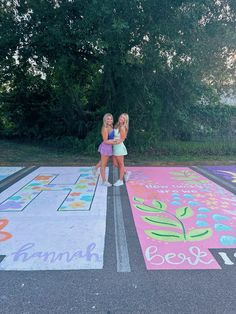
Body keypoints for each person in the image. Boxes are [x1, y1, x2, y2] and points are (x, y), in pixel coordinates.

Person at [93, 113, 117, 187]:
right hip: (105, 147)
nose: (110, 120)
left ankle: (95, 169)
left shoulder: (111, 126)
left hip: (109, 147)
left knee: (103, 161)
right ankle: (104, 181)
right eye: (108, 118)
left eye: (111, 118)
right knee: (103, 165)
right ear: (105, 120)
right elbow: (105, 140)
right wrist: (115, 141)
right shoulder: (105, 128)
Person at [112, 113, 131, 187]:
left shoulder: (122, 127)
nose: (121, 118)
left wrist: (114, 142)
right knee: (115, 164)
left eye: (123, 118)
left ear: (125, 120)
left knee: (121, 164)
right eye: (121, 116)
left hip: (119, 147)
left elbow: (122, 139)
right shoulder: (117, 125)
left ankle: (120, 180)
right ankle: (126, 173)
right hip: (114, 147)